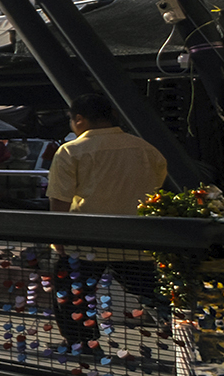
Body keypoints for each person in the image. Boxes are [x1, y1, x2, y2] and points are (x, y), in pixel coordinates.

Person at [46, 101, 170, 354]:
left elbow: (60, 200)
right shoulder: (146, 149)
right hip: (136, 240)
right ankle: (187, 334)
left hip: (84, 241)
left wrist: (55, 238)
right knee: (152, 294)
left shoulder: (71, 151)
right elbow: (156, 188)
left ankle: (83, 345)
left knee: (72, 297)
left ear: (79, 119)